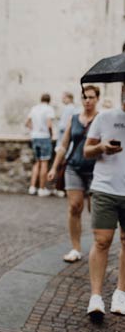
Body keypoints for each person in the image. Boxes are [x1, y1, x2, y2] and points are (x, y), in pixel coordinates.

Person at [83, 82, 125, 319]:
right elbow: (86, 151)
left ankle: (121, 292)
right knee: (102, 240)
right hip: (105, 188)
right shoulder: (105, 117)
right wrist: (102, 147)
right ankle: (96, 297)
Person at [47, 85, 100, 263]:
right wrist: (54, 167)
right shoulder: (74, 119)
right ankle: (76, 248)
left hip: (96, 170)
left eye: (91, 97)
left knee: (96, 210)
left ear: (97, 99)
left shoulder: (101, 119)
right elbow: (63, 145)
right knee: (75, 206)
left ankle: (98, 246)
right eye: (85, 97)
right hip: (73, 167)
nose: (88, 101)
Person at [26, 93, 55, 197]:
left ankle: (32, 187)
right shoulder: (49, 109)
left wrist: (33, 130)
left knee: (36, 163)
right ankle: (42, 188)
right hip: (44, 137)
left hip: (35, 136)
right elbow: (49, 124)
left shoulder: (34, 108)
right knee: (44, 163)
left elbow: (27, 122)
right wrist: (51, 134)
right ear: (49, 100)